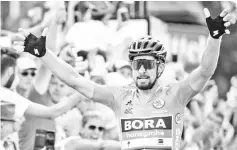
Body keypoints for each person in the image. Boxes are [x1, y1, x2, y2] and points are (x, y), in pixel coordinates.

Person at [12, 8, 236, 150]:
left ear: (159, 67)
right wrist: (43, 54)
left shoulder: (176, 93)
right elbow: (74, 80)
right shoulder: (120, 95)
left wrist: (214, 38)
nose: (141, 70)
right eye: (136, 64)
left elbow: (205, 71)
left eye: (147, 64)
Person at [0, 49, 80, 149]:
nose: (30, 77)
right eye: (24, 73)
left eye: (33, 74)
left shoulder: (15, 96)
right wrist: (84, 90)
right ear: (10, 72)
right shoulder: (8, 95)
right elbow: (53, 112)